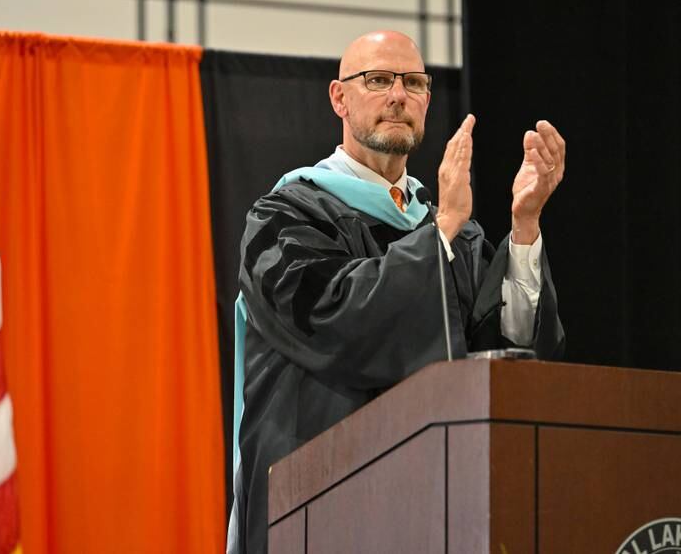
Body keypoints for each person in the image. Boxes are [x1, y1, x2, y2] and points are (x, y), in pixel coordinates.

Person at [227, 30, 565, 554]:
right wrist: (442, 232)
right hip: (317, 508)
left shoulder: (452, 232)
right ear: (339, 97)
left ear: (429, 99)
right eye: (379, 80)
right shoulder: (284, 218)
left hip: (435, 506)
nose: (398, 95)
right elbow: (337, 321)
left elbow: (502, 357)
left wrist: (523, 227)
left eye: (413, 82)